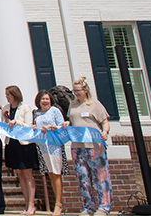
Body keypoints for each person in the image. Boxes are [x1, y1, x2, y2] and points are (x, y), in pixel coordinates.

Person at [64, 77, 112, 216]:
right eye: (74, 91)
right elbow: (72, 121)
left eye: (78, 91)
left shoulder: (94, 105)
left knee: (100, 176)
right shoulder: (72, 105)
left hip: (94, 145)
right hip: (78, 145)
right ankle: (88, 207)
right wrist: (67, 124)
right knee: (83, 177)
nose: (76, 93)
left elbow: (104, 122)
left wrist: (105, 132)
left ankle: (104, 206)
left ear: (85, 90)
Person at [3, 85, 39, 216]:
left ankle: (31, 204)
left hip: (24, 144)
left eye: (8, 94)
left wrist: (16, 122)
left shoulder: (25, 108)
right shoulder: (5, 108)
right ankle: (26, 202)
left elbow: (29, 126)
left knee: (28, 174)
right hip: (12, 143)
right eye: (6, 95)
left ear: (15, 95)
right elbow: (4, 125)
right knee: (20, 174)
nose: (6, 97)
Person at [33, 90, 67, 216]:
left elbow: (61, 126)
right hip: (43, 147)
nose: (45, 101)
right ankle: (57, 203)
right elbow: (35, 127)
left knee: (57, 173)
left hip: (54, 146)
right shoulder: (36, 113)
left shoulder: (55, 111)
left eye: (47, 99)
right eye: (43, 99)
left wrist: (50, 127)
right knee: (51, 174)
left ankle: (58, 204)